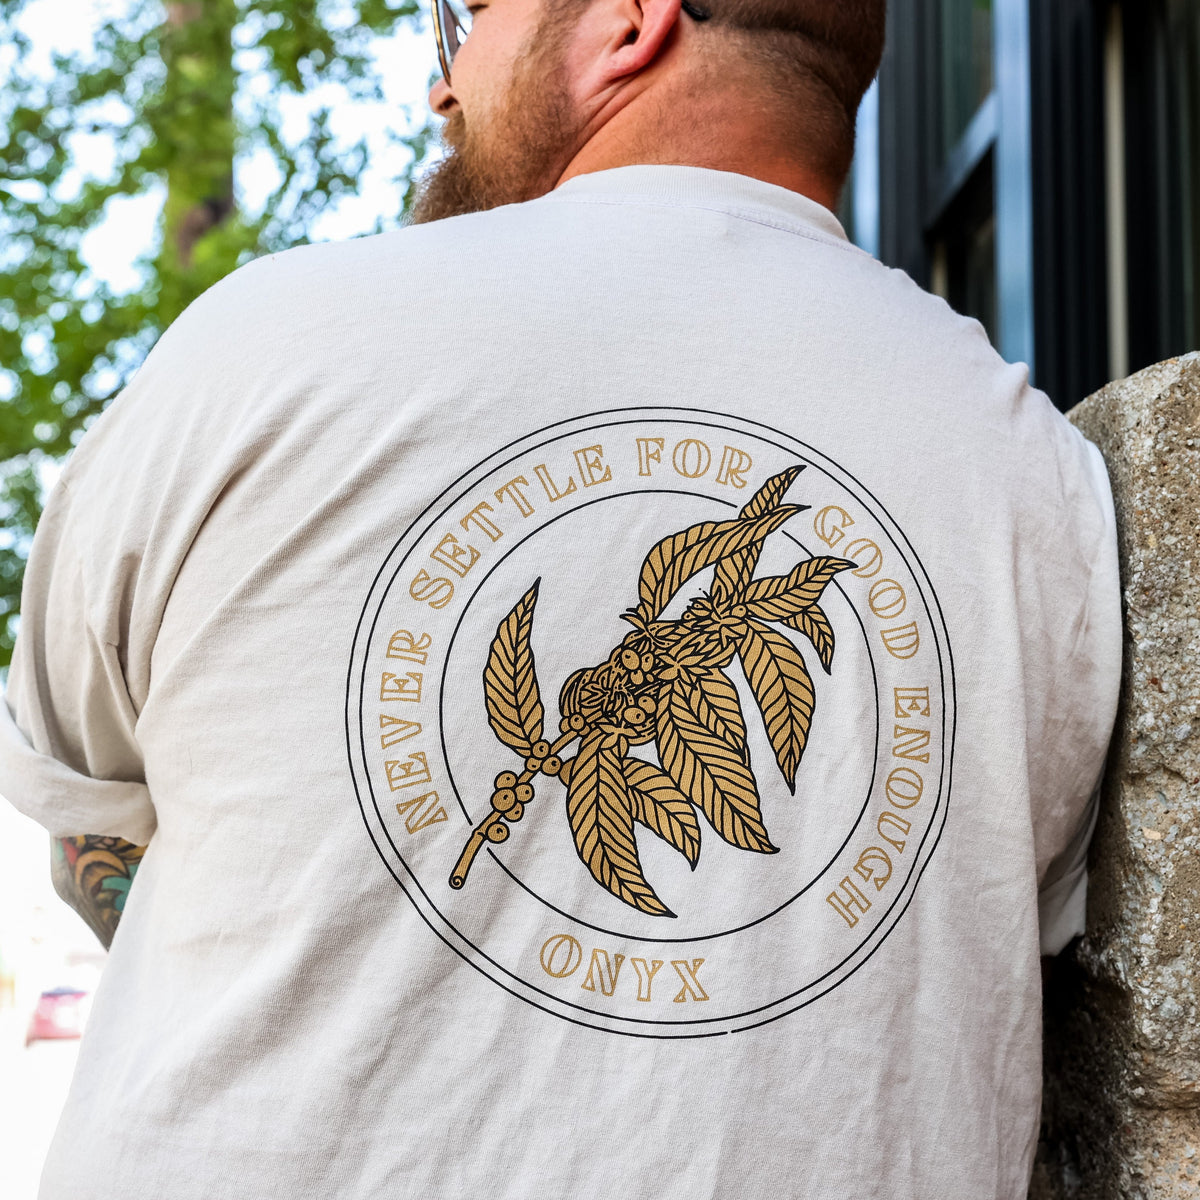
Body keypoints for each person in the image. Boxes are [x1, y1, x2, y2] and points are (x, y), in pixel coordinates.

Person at [0, 0, 1122, 1196]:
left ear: (631, 24)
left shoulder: (262, 349)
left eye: (470, 18)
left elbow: (86, 802)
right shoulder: (1043, 484)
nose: (443, 86)